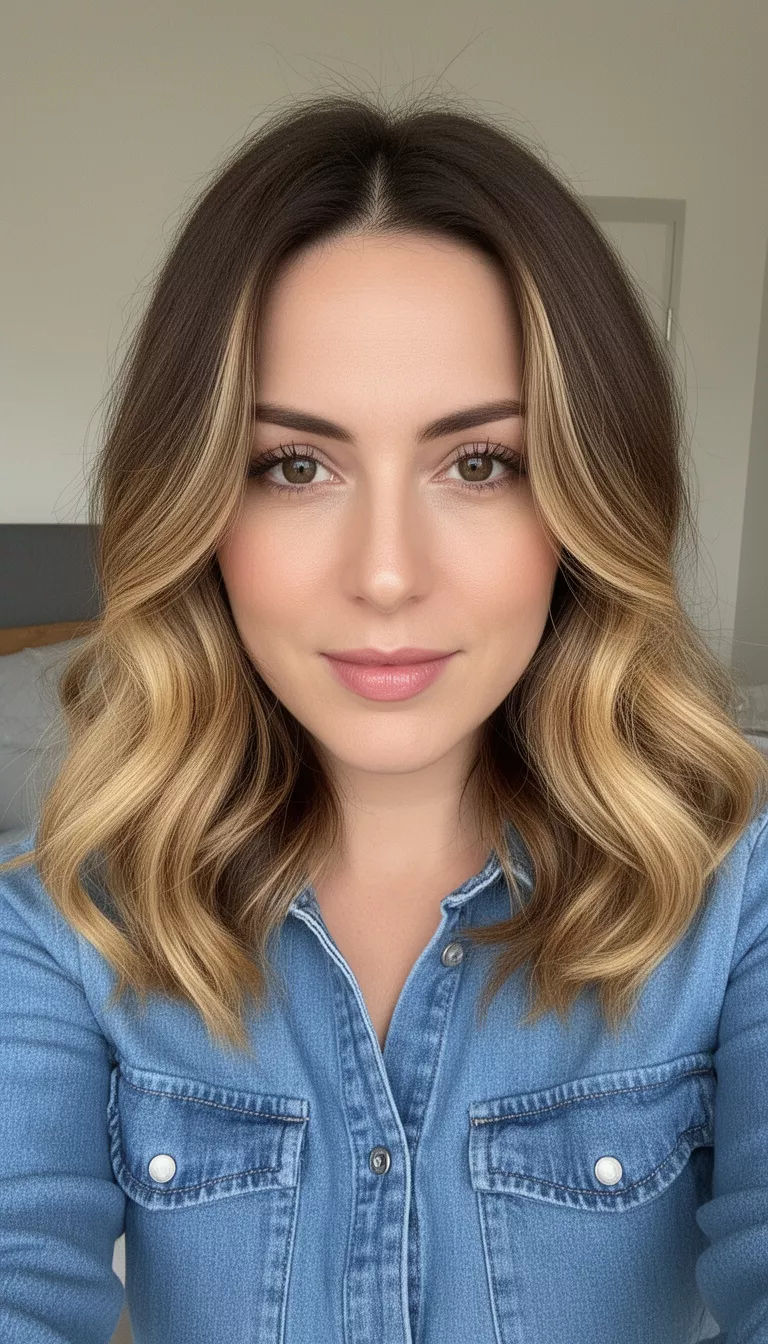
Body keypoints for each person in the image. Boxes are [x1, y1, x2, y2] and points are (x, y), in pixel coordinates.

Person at [1, 90, 767, 1344]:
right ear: (199, 512)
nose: (389, 574)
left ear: (583, 504)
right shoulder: (61, 933)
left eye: (480, 463)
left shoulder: (735, 908)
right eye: (294, 466)